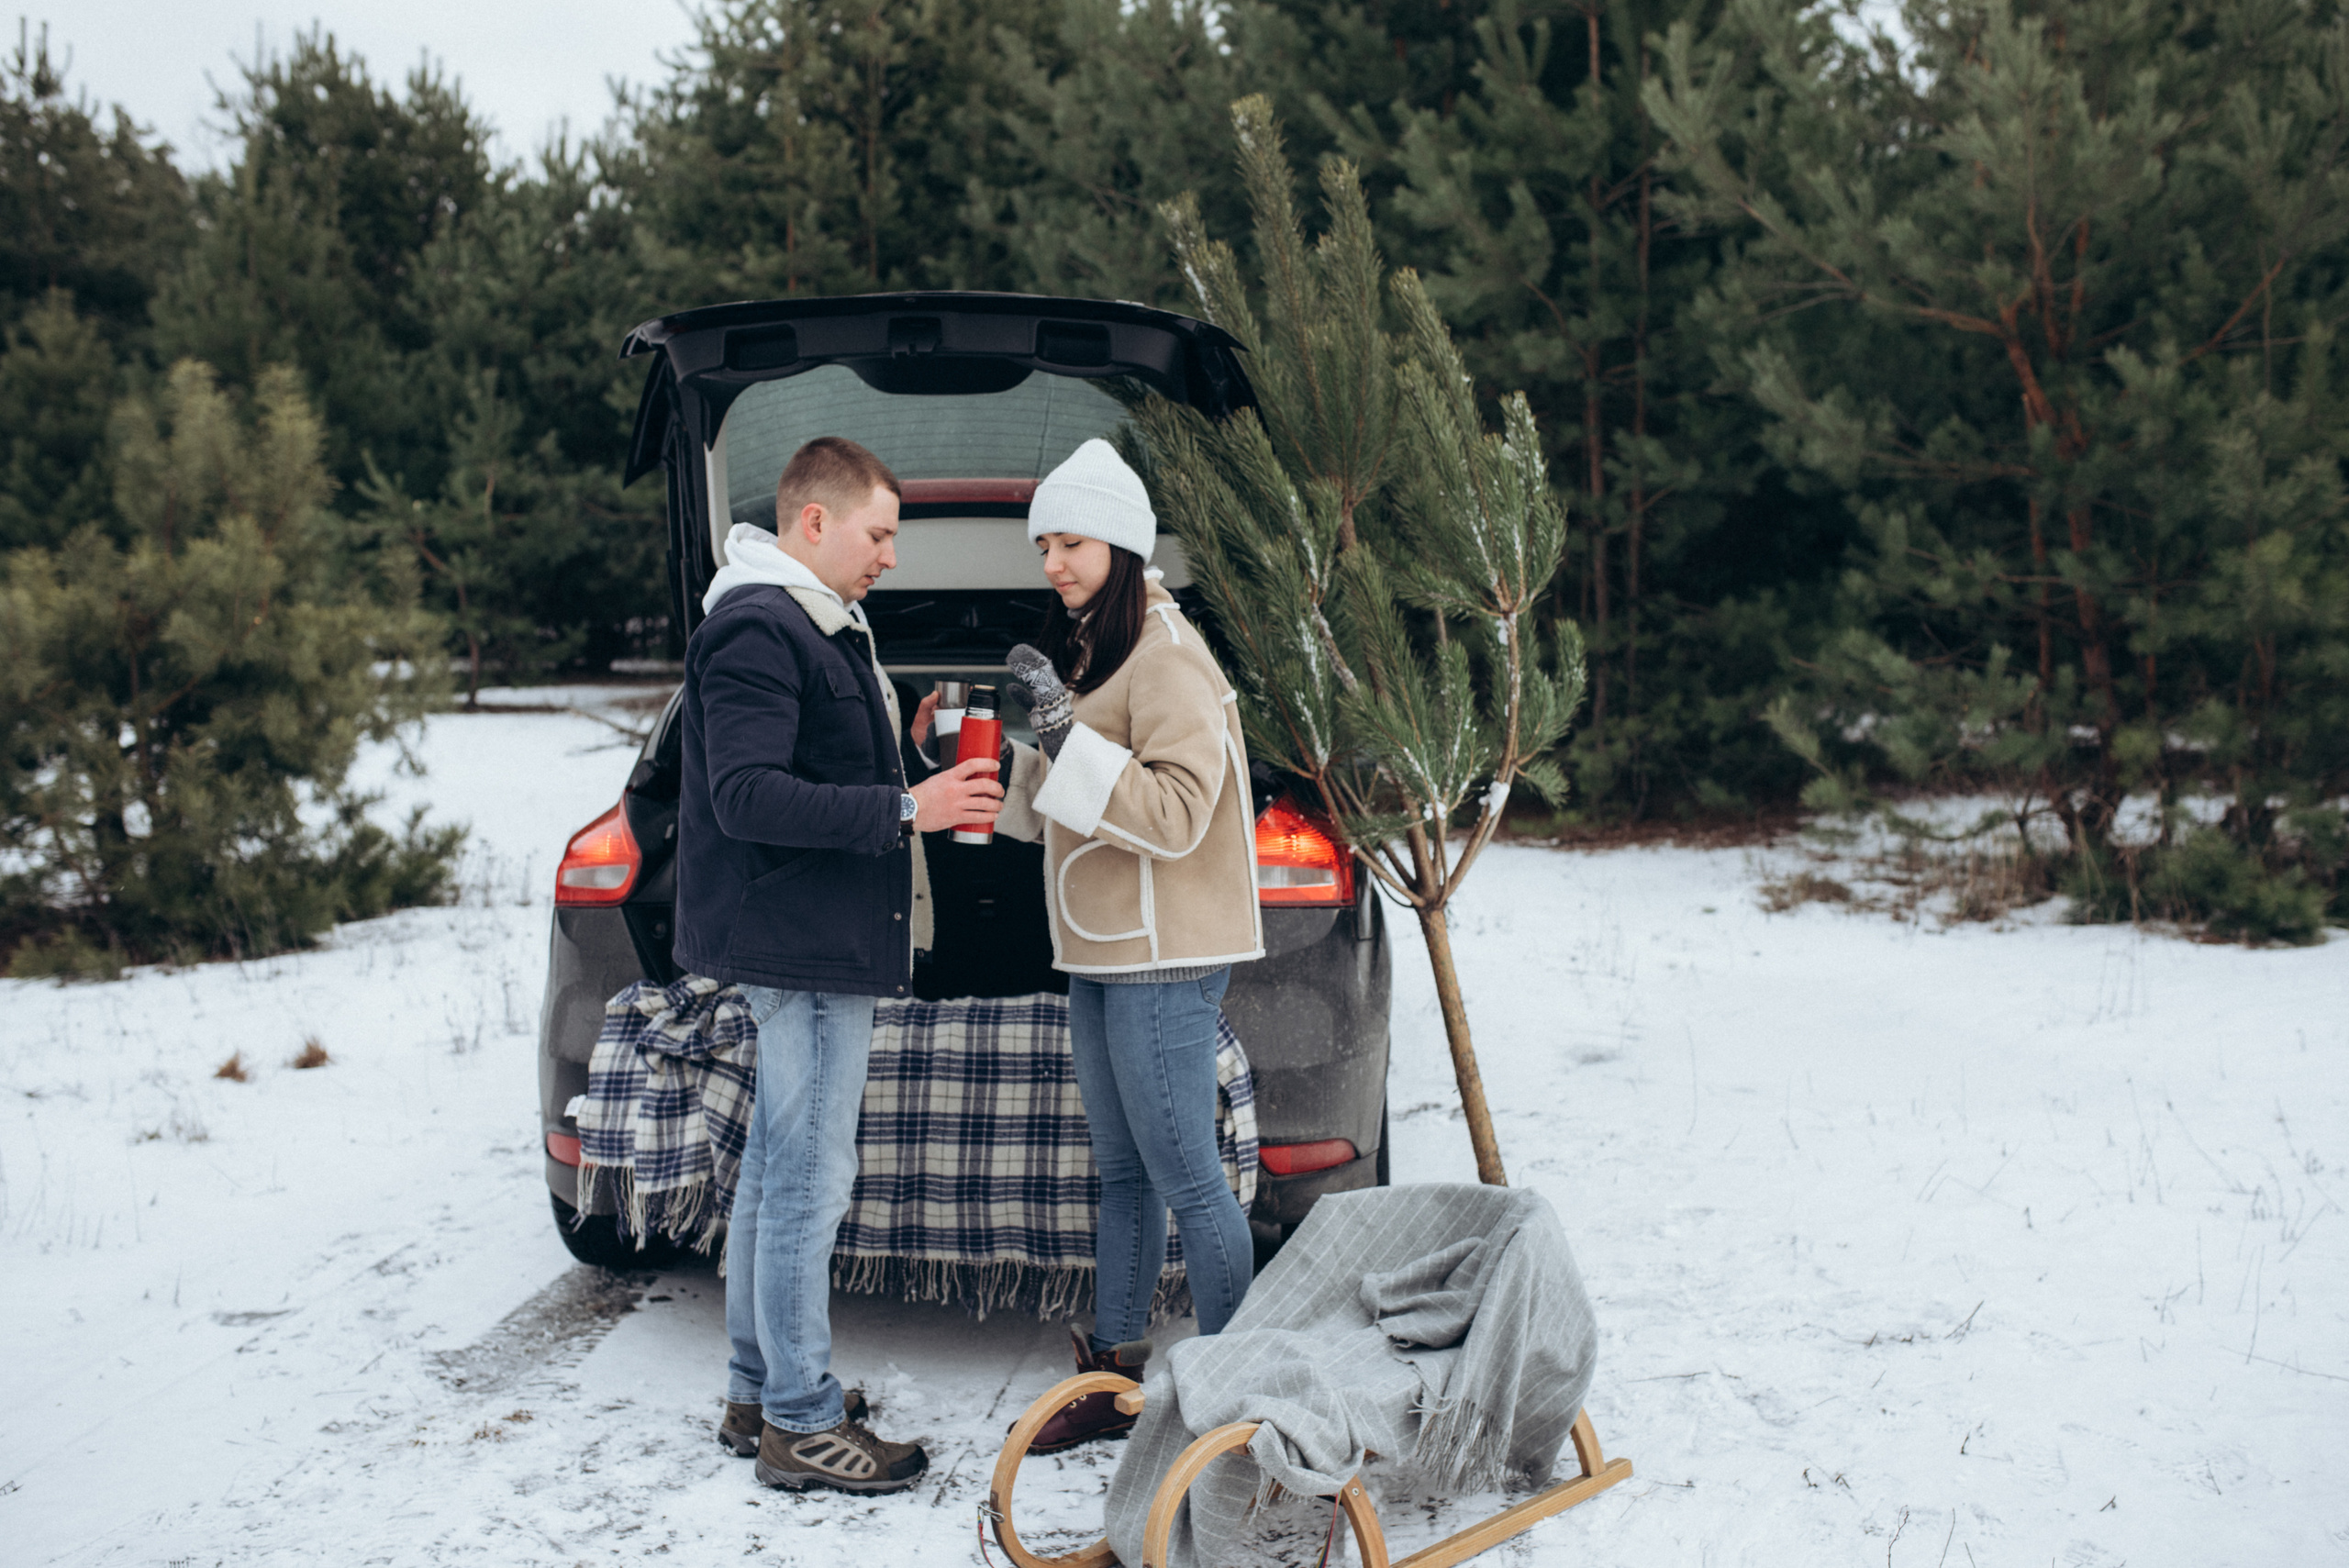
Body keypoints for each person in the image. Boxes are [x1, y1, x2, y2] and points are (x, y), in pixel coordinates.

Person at [914, 439, 1264, 1453]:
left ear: (1119, 541)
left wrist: (1067, 738)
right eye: (1044, 546)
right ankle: (1115, 1377)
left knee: (1188, 1175)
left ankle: (1238, 1397)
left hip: (1163, 955)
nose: (1053, 562)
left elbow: (1177, 813)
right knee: (1123, 1172)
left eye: (1070, 542)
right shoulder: (1096, 651)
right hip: (1104, 950)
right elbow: (1075, 805)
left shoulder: (1166, 654)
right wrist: (971, 759)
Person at [675, 436, 1005, 1495]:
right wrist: (909, 804)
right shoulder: (758, 625)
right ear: (813, 521)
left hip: (811, 937)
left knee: (779, 1170)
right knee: (809, 1179)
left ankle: (756, 1389)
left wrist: (901, 743)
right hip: (804, 947)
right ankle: (800, 1420)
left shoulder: (809, 618)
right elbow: (747, 795)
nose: (890, 557)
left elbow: (811, 762)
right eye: (879, 533)